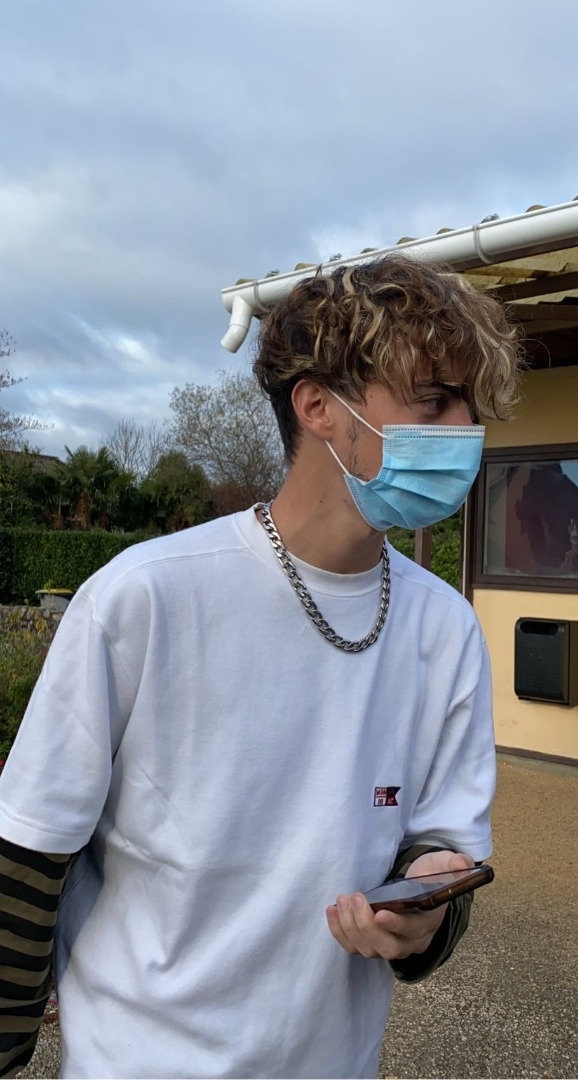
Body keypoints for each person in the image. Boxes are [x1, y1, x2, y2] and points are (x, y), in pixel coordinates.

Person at [0, 255, 521, 1079]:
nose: (465, 430)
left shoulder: (445, 628)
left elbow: (443, 844)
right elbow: (30, 848)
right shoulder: (146, 597)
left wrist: (424, 910)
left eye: (470, 405)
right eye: (434, 400)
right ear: (318, 406)